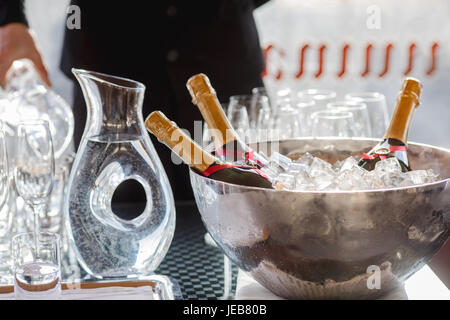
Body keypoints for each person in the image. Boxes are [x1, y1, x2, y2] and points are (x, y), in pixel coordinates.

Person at [0, 0, 270, 202]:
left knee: (256, 212)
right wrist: (9, 16)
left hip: (221, 61)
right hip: (111, 78)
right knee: (111, 226)